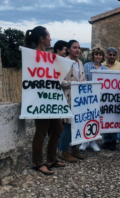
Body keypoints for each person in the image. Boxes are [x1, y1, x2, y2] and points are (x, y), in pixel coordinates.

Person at [24, 26, 65, 175]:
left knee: (58, 127)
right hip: (39, 99)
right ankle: (38, 162)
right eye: (49, 37)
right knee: (41, 130)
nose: (51, 39)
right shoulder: (32, 56)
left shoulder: (50, 57)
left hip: (52, 98)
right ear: (42, 39)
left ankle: (51, 159)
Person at [58, 40, 86, 162]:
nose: (77, 50)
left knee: (77, 123)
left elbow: (83, 78)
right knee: (68, 125)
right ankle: (63, 151)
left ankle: (74, 148)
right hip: (67, 96)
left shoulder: (80, 63)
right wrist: (73, 84)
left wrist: (84, 83)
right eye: (74, 47)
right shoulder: (63, 62)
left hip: (79, 98)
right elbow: (59, 80)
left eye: (79, 47)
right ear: (68, 49)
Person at [79, 47, 108, 151]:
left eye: (100, 54)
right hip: (88, 96)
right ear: (93, 55)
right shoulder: (87, 66)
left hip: (100, 98)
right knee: (86, 117)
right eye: (96, 54)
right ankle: (85, 140)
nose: (98, 56)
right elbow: (84, 78)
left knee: (96, 118)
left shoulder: (105, 69)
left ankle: (93, 141)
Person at [101, 47, 120, 151]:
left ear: (116, 56)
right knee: (105, 117)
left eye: (114, 55)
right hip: (104, 97)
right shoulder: (101, 65)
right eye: (110, 54)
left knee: (114, 118)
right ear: (106, 55)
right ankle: (106, 140)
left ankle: (113, 141)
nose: (112, 56)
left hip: (116, 96)